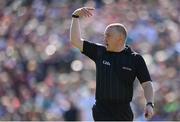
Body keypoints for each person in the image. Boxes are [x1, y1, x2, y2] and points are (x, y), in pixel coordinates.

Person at [70, 7, 154, 121]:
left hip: (123, 112)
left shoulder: (135, 59)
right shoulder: (100, 52)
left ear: (120, 38)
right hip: (102, 110)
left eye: (108, 35)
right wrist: (75, 16)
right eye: (105, 35)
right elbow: (76, 41)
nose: (105, 38)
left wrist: (149, 104)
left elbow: (146, 84)